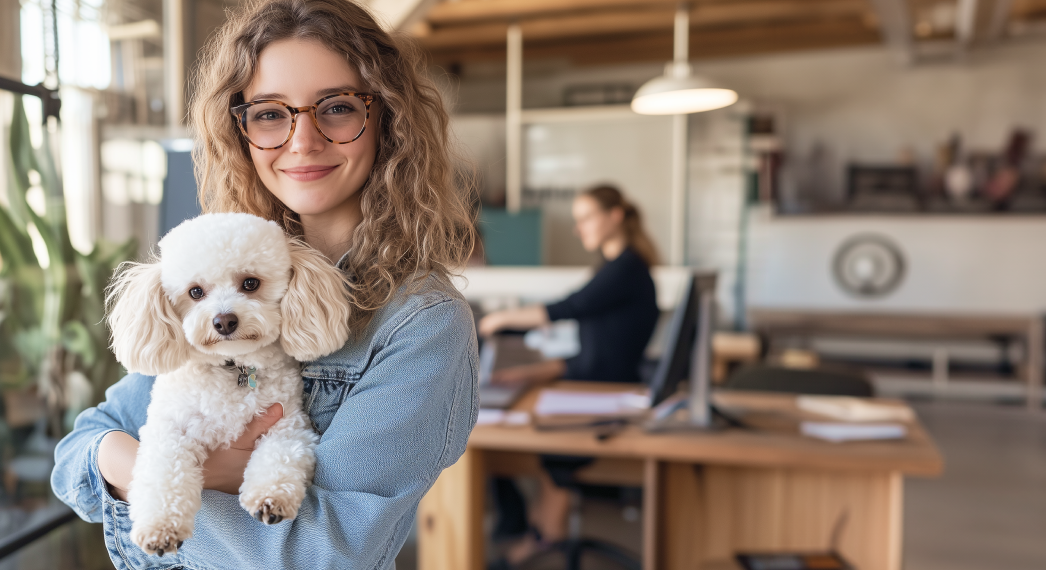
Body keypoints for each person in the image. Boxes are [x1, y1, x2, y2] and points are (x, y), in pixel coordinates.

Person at [50, 0, 479, 568]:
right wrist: (162, 473)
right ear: (242, 131)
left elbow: (324, 556)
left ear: (388, 118)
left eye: (337, 107)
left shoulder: (421, 323)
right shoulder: (214, 270)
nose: (303, 141)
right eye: (271, 113)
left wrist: (167, 480)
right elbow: (78, 455)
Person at [475, 184, 661, 565]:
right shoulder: (617, 267)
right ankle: (538, 531)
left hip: (607, 398)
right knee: (517, 438)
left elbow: (569, 307)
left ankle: (543, 537)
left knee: (535, 443)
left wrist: (502, 319)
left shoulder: (626, 268)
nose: (578, 229)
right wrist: (532, 372)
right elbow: (597, 355)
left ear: (615, 216)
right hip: (600, 387)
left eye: (586, 218)